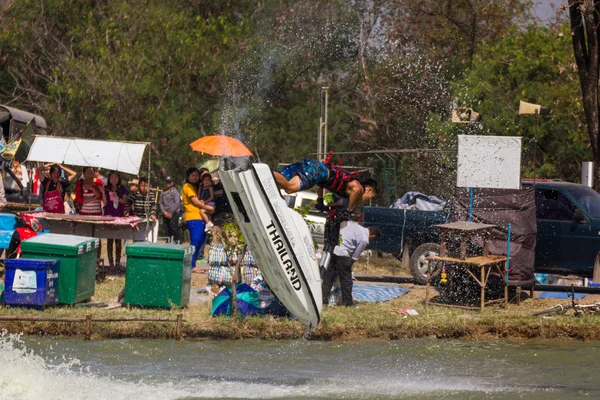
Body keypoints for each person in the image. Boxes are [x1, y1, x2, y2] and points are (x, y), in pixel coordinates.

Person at [273, 153, 378, 219]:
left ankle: (260, 169)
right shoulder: (359, 187)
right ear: (368, 189)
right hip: (316, 170)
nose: (367, 200)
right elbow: (356, 189)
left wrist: (320, 200)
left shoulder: (350, 188)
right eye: (371, 197)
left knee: (279, 180)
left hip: (313, 167)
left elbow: (321, 184)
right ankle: (257, 170)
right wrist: (348, 211)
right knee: (290, 188)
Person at [321, 224, 382, 307]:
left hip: (333, 250)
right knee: (346, 280)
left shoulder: (355, 226)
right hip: (343, 254)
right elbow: (355, 256)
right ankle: (348, 303)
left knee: (329, 278)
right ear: (373, 236)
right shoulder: (365, 239)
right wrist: (348, 266)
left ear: (369, 228)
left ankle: (322, 299)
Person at [182, 167, 213, 270]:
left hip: (199, 216)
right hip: (193, 216)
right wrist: (208, 208)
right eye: (193, 175)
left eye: (197, 175)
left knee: (201, 240)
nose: (195, 177)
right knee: (196, 240)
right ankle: (190, 265)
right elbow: (195, 201)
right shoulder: (188, 186)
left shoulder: (196, 187)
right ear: (188, 176)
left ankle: (192, 263)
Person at [75, 166, 106, 261]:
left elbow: (100, 197)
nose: (90, 175)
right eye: (87, 172)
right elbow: (79, 200)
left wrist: (91, 188)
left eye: (91, 172)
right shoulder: (79, 184)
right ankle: (84, 259)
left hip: (97, 214)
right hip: (84, 215)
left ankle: (96, 259)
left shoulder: (99, 183)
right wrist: (93, 198)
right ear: (84, 174)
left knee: (97, 238)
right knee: (85, 238)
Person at [104, 171, 128, 271]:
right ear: (109, 179)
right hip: (109, 216)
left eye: (116, 177)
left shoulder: (122, 188)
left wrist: (116, 197)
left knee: (118, 240)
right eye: (112, 177)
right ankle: (111, 263)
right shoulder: (106, 188)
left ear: (118, 179)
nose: (114, 179)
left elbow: (125, 201)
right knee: (109, 241)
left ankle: (117, 263)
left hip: (119, 216)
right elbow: (104, 202)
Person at [129, 177, 158, 241]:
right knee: (136, 238)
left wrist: (152, 213)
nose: (144, 187)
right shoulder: (135, 194)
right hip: (137, 220)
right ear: (139, 186)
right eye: (142, 185)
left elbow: (153, 206)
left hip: (146, 220)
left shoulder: (151, 194)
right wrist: (126, 215)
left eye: (146, 185)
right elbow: (128, 204)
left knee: (146, 238)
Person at [159, 176, 182, 243]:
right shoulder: (163, 192)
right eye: (167, 182)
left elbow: (177, 202)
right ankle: (168, 243)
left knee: (174, 228)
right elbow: (160, 203)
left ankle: (178, 242)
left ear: (172, 183)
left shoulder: (174, 191)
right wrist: (164, 212)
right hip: (165, 213)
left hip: (174, 213)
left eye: (169, 182)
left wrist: (170, 212)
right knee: (166, 230)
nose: (168, 183)